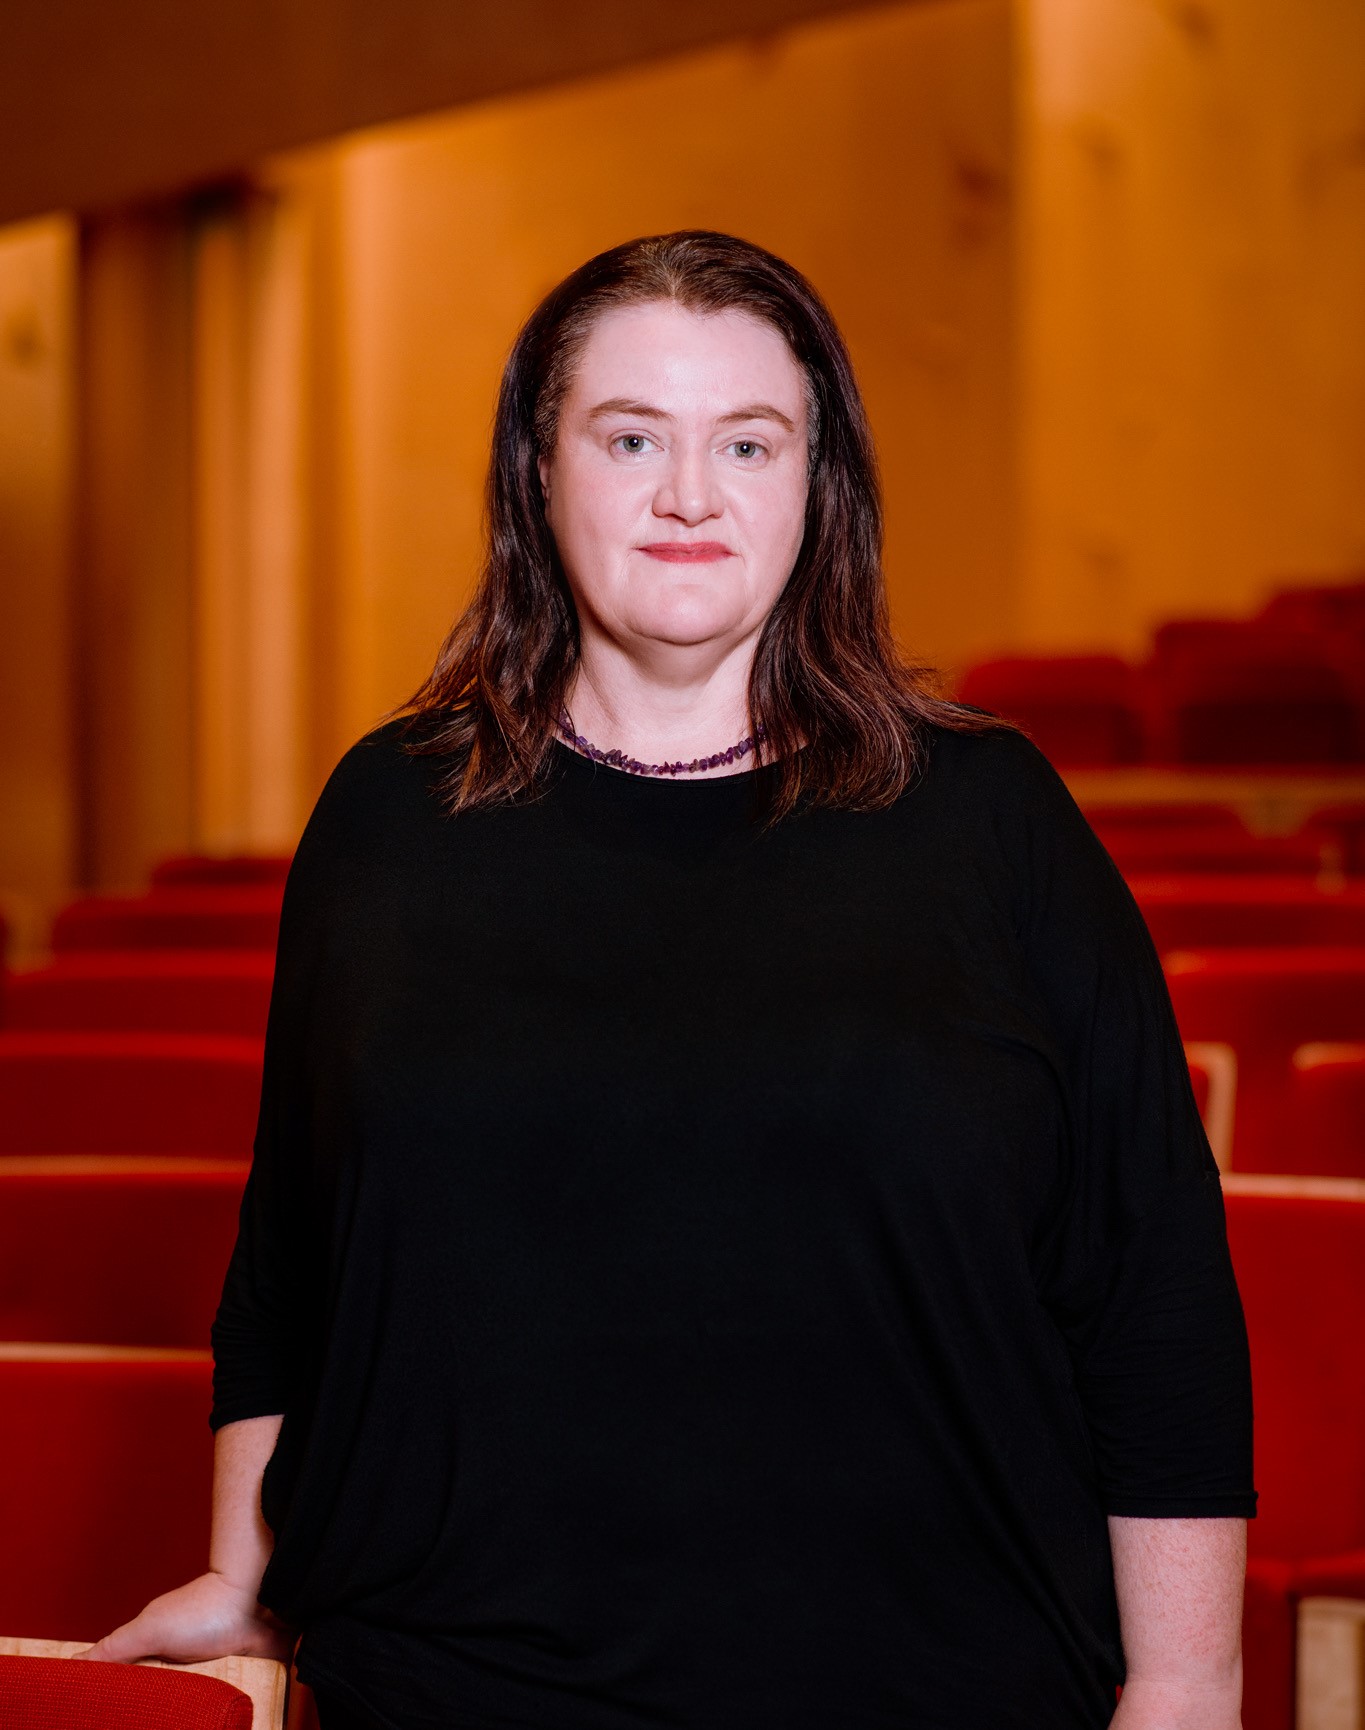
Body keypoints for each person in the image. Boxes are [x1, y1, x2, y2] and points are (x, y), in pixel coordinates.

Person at [77, 230, 1255, 1729]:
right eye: (630, 437)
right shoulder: (388, 812)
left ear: (817, 486)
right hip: (456, 1684)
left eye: (746, 443)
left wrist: (1185, 1687)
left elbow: (1147, 1287)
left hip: (929, 1688)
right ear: (537, 470)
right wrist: (248, 1570)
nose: (688, 495)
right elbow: (296, 1250)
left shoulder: (993, 817)